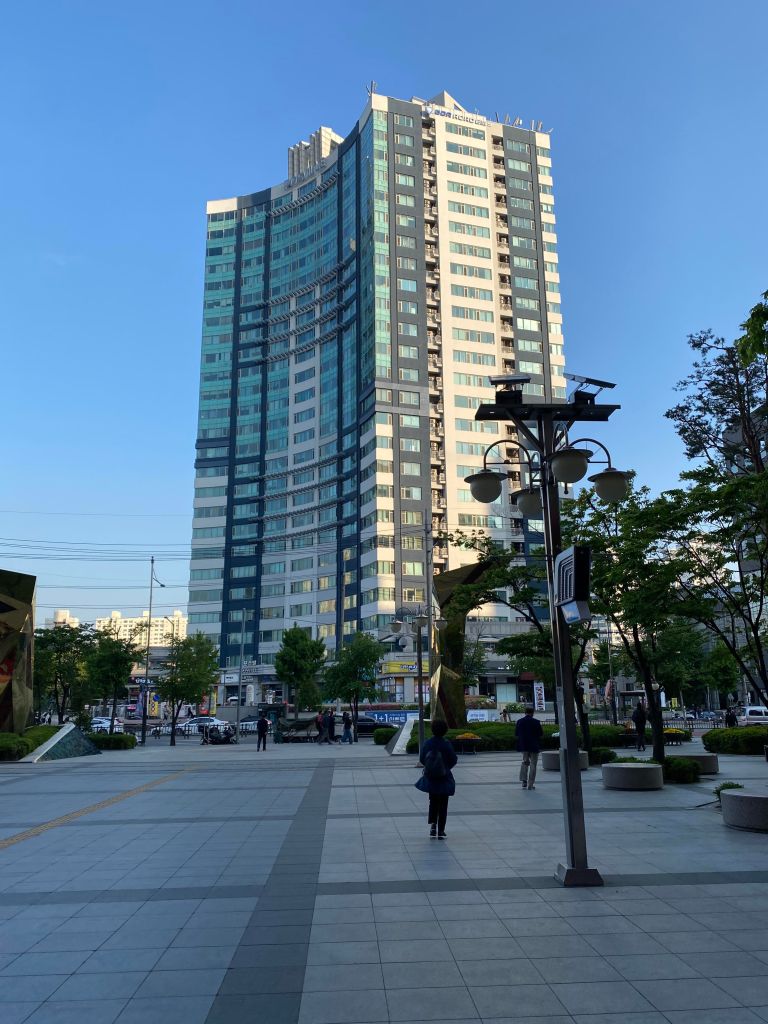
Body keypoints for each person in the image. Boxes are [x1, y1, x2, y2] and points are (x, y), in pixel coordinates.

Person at [415, 720, 457, 839]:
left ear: (433, 730)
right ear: (445, 731)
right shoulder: (446, 744)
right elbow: (453, 759)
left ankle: (433, 826)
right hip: (444, 777)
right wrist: (446, 767)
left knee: (433, 801)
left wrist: (431, 766)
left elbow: (422, 758)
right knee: (443, 803)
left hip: (431, 777)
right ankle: (441, 830)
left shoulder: (427, 743)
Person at [515, 706, 543, 790]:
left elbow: (516, 733)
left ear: (525, 712)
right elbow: (541, 734)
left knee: (525, 762)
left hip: (524, 746)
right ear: (533, 713)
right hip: (534, 746)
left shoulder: (519, 721)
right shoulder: (536, 722)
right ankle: (531, 784)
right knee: (533, 765)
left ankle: (524, 781)